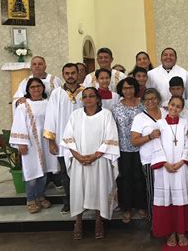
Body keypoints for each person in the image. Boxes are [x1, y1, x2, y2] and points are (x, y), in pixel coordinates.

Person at [61, 87, 120, 240]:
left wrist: (95, 155)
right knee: (78, 191)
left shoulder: (106, 115)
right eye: (85, 96)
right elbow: (68, 138)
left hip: (99, 161)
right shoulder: (75, 115)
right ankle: (78, 223)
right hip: (79, 161)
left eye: (91, 96)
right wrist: (78, 156)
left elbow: (111, 137)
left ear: (98, 99)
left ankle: (99, 221)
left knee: (99, 190)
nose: (88, 99)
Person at [151, 96, 188, 247]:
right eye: (172, 105)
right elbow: (156, 145)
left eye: (178, 106)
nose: (174, 108)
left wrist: (182, 161)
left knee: (180, 200)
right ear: (167, 106)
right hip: (165, 168)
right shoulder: (159, 124)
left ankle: (181, 231)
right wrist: (164, 163)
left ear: (181, 109)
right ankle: (170, 232)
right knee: (167, 200)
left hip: (180, 167)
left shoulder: (185, 124)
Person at [10, 78, 58, 213]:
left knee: (43, 173)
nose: (36, 89)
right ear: (28, 90)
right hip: (30, 144)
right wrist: (21, 144)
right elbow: (18, 124)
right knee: (31, 173)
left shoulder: (48, 103)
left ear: (43, 88)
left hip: (45, 142)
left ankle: (41, 196)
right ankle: (30, 199)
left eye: (38, 86)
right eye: (33, 87)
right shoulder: (23, 106)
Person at [43, 63, 84, 214]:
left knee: (83, 173)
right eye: (67, 73)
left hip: (83, 141)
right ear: (63, 75)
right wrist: (51, 141)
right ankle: (70, 202)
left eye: (73, 72)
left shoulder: (85, 92)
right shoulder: (56, 94)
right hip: (62, 141)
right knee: (66, 175)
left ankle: (84, 201)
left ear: (78, 74)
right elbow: (50, 118)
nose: (70, 76)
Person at [111, 77, 146, 223]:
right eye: (125, 88)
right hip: (123, 149)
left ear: (135, 88)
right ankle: (126, 208)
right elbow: (113, 128)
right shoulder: (115, 108)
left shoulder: (143, 105)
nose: (128, 91)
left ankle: (141, 206)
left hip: (142, 148)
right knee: (124, 179)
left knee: (140, 178)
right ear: (121, 90)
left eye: (131, 87)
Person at [130, 88, 166, 222]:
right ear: (143, 102)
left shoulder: (166, 112)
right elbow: (134, 141)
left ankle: (167, 221)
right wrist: (150, 136)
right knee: (153, 192)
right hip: (150, 160)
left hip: (167, 158)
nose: (150, 101)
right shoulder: (139, 118)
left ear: (158, 99)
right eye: (147, 99)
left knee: (167, 191)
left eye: (153, 98)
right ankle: (154, 222)